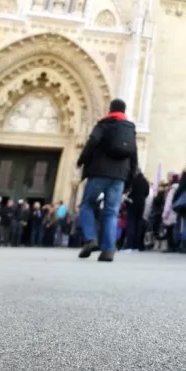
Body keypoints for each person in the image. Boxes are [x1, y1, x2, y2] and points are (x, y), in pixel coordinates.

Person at [76, 97, 138, 263]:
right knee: (111, 212)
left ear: (111, 109)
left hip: (99, 173)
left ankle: (90, 238)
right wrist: (130, 179)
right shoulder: (130, 129)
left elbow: (93, 141)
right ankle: (108, 250)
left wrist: (81, 160)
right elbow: (134, 155)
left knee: (86, 205)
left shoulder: (104, 124)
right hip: (119, 177)